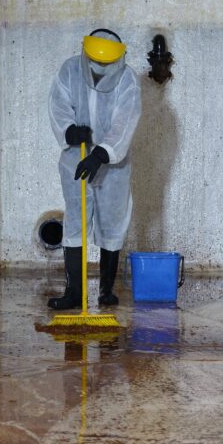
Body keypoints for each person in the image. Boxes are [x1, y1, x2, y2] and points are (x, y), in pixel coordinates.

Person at [47, 29, 141, 309]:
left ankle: (105, 291)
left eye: (106, 63)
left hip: (112, 167)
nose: (100, 67)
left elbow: (125, 120)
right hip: (75, 160)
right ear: (85, 53)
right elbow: (58, 104)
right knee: (75, 220)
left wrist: (101, 154)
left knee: (112, 222)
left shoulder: (128, 80)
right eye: (95, 61)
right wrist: (69, 131)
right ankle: (74, 293)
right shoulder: (70, 70)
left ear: (119, 58)